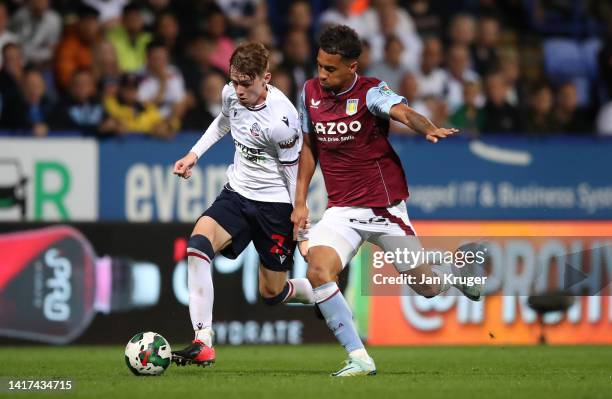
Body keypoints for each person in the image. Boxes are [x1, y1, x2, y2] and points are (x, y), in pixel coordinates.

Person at [291, 25, 483, 377]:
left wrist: (428, 128)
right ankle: (359, 358)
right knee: (318, 269)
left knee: (426, 287)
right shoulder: (308, 93)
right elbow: (308, 148)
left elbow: (403, 112)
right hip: (341, 211)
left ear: (353, 66)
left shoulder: (370, 91)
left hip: (384, 210)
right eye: (319, 65)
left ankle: (456, 270)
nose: (322, 74)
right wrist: (300, 200)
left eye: (330, 68)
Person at [171, 42, 314, 367]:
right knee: (197, 246)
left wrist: (302, 231)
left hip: (275, 206)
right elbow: (224, 121)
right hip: (237, 194)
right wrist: (194, 154)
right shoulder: (230, 95)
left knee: (271, 294)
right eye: (234, 81)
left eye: (245, 84)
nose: (238, 90)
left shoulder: (282, 119)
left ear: (266, 78)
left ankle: (318, 292)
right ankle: (203, 340)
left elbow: (294, 176)